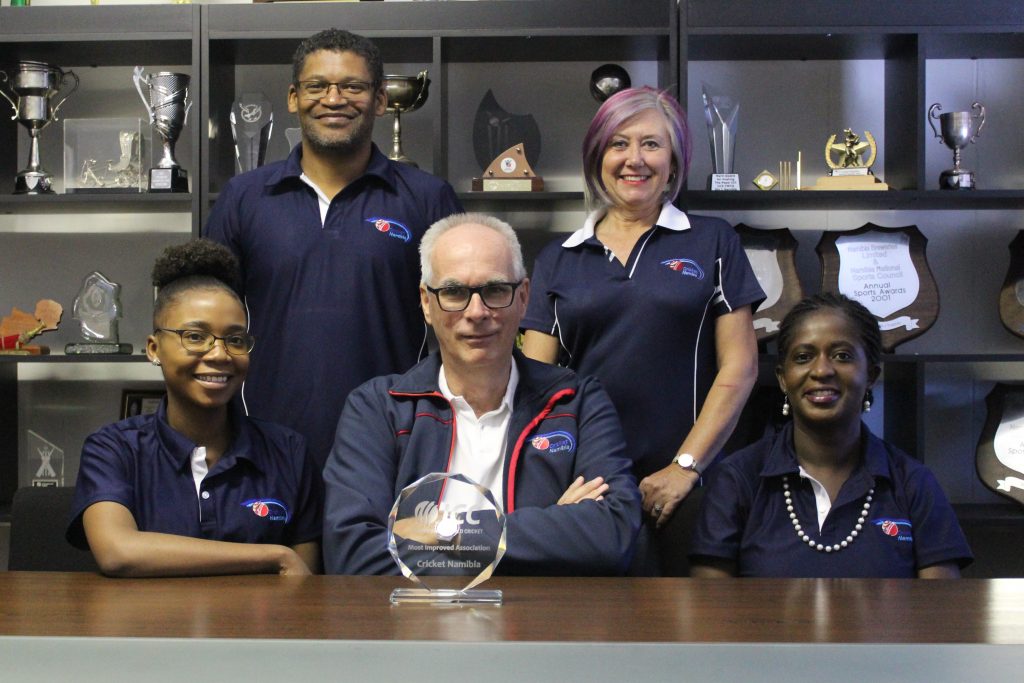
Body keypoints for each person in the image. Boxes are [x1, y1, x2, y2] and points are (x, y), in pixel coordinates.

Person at [521, 87, 764, 573]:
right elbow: (532, 385)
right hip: (588, 488)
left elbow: (740, 368)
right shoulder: (558, 258)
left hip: (689, 487)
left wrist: (685, 467)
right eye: (619, 143)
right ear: (597, 159)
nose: (635, 159)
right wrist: (554, 479)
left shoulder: (714, 241)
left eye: (651, 144)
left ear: (673, 163)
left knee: (691, 617)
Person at [322, 213, 641, 575]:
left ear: (523, 297)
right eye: (454, 292)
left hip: (543, 612)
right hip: (417, 613)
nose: (477, 312)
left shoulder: (577, 401)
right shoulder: (378, 407)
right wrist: (553, 531)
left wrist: (428, 533)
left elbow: (611, 534)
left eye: (495, 290)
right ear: (426, 303)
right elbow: (355, 555)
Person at [204, 28, 462, 469]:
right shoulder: (243, 198)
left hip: (396, 446)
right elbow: (204, 322)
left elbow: (462, 321)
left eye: (353, 86)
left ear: (380, 100)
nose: (334, 99)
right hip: (265, 445)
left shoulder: (428, 198)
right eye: (317, 86)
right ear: (293, 98)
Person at [66, 240, 322, 577]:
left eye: (235, 339)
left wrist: (286, 562)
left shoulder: (288, 452)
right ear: (154, 349)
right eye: (195, 336)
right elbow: (118, 552)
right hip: (145, 615)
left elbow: (303, 586)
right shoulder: (114, 449)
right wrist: (274, 555)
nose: (219, 354)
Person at [690, 293, 972, 578]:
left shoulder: (913, 483)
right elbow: (711, 603)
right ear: (783, 378)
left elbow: (939, 602)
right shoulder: (738, 479)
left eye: (842, 356)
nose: (822, 370)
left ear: (871, 375)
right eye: (803, 357)